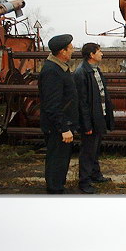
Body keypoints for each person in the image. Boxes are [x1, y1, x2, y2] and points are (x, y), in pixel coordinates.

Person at [39, 34, 79, 194]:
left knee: (61, 159)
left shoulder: (60, 67)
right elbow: (52, 105)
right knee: (57, 159)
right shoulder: (52, 71)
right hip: (57, 127)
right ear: (62, 51)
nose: (73, 50)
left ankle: (57, 187)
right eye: (70, 48)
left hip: (62, 124)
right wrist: (63, 128)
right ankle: (55, 191)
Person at [73, 42, 115, 194]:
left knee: (95, 148)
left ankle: (95, 174)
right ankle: (84, 182)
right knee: (88, 150)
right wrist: (86, 125)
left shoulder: (95, 70)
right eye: (99, 51)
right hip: (90, 119)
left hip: (98, 115)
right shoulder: (81, 73)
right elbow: (82, 102)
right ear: (91, 55)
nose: (102, 54)